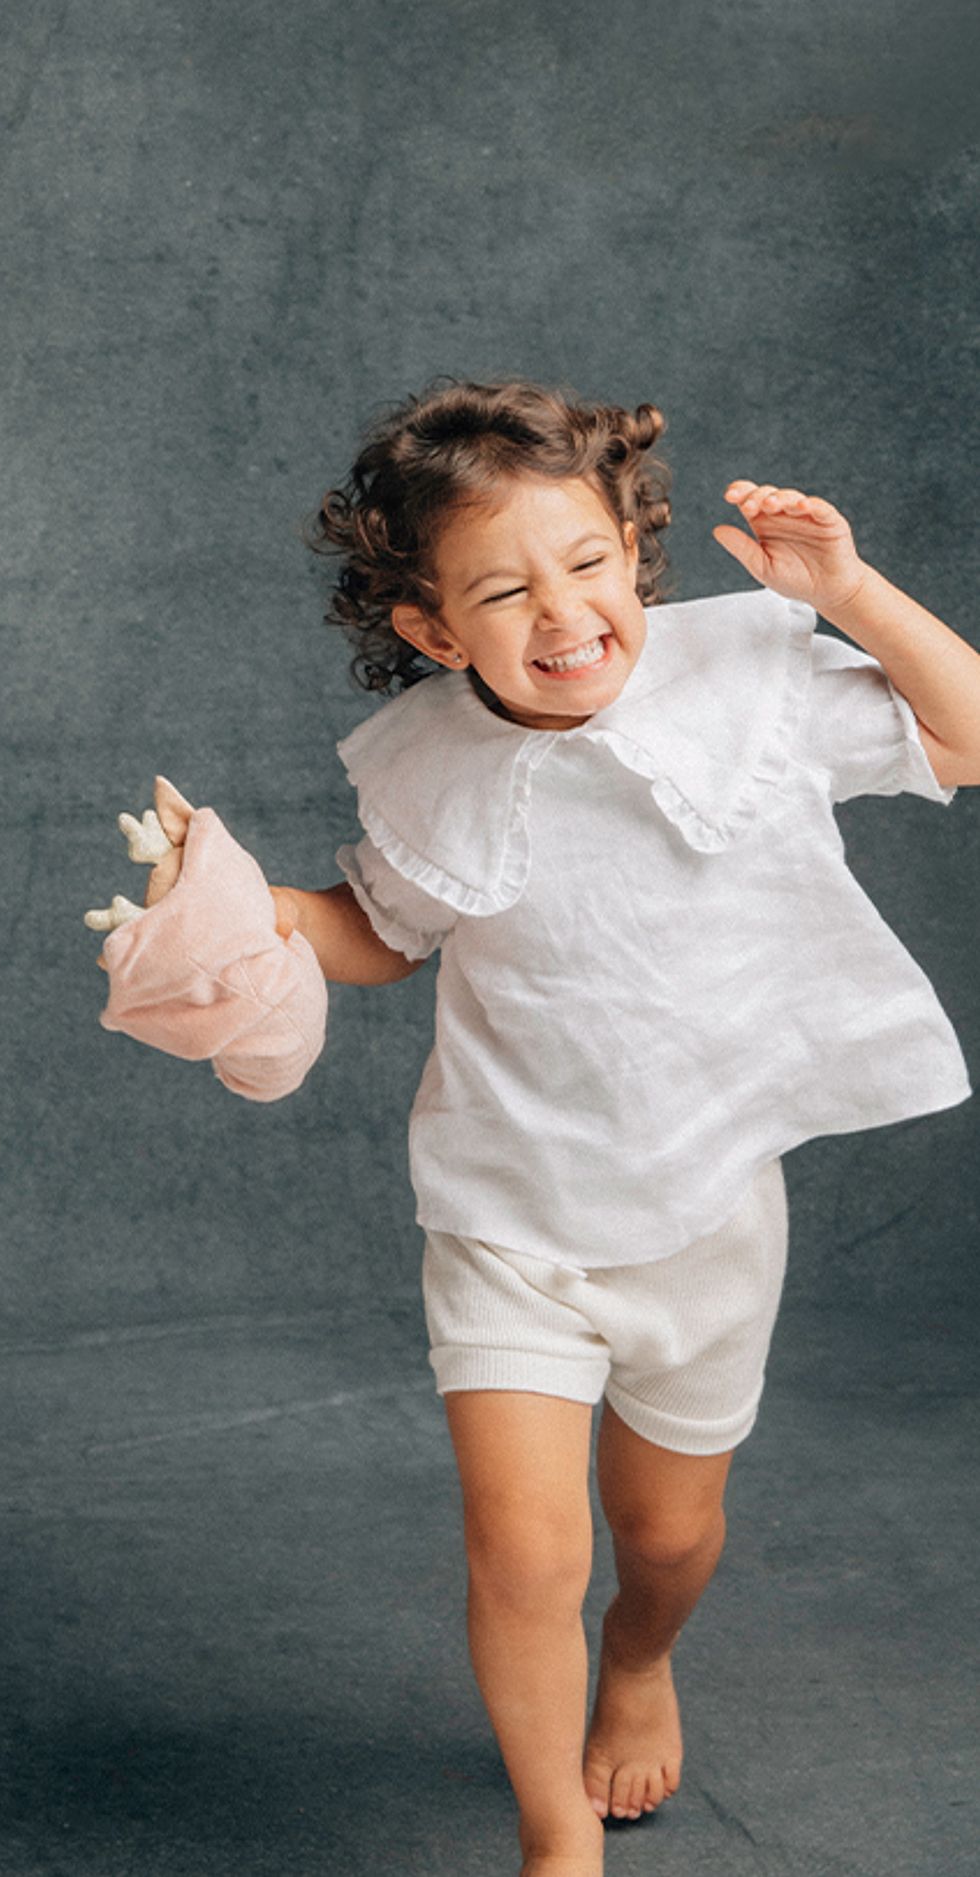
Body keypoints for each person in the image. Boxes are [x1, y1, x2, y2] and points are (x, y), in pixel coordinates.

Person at [111, 381, 977, 1874]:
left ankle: (639, 1661)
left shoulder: (742, 688)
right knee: (526, 1553)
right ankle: (553, 1833)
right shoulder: (427, 761)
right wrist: (235, 901)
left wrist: (845, 592)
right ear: (438, 631)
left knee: (664, 1543)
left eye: (587, 563)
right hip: (508, 1216)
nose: (563, 612)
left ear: (638, 552)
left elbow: (967, 738)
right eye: (504, 591)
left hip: (705, 1217)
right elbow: (384, 933)